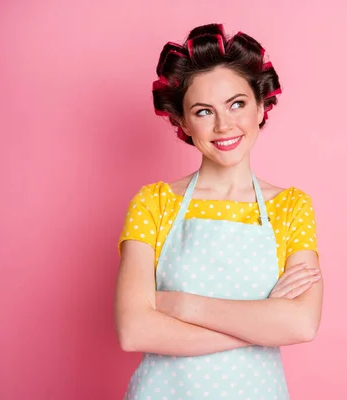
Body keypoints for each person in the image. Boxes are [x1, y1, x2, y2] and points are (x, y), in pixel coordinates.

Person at [113, 23, 323, 399]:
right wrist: (259, 323)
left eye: (237, 104)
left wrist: (178, 304)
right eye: (204, 111)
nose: (224, 124)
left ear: (261, 106)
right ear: (182, 121)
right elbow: (135, 330)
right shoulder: (154, 203)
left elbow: (301, 324)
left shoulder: (291, 206)